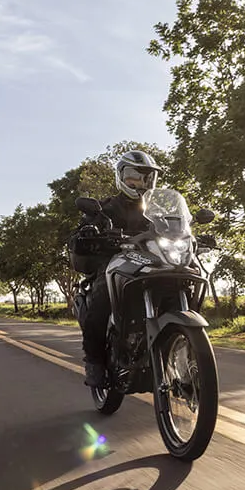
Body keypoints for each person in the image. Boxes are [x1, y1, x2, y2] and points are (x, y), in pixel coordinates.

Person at [73, 150, 163, 387]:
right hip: (116, 264)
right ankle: (94, 362)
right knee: (102, 298)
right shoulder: (106, 208)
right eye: (135, 177)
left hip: (152, 264)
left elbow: (177, 228)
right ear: (121, 177)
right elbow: (79, 234)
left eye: (147, 178)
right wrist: (89, 230)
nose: (141, 183)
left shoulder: (156, 213)